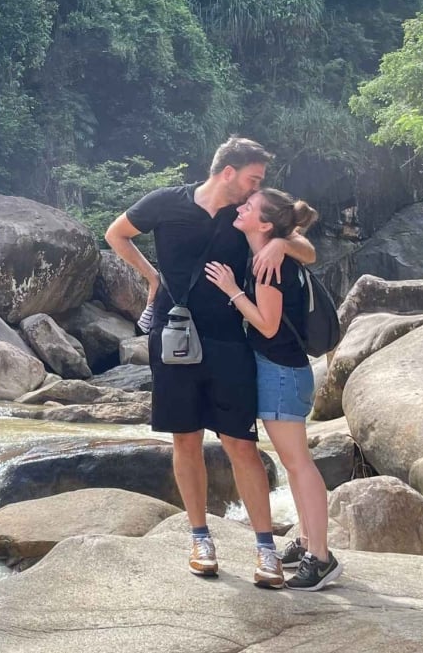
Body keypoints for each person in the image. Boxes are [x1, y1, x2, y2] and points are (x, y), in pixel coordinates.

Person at [104, 137, 314, 588]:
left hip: (228, 342)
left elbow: (308, 251)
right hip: (174, 337)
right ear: (228, 173)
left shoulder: (244, 216)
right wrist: (153, 276)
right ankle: (200, 537)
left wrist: (281, 246)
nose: (257, 187)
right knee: (185, 439)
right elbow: (115, 233)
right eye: (253, 178)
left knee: (240, 443)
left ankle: (265, 547)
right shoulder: (165, 202)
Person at [205, 188, 342, 591]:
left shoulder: (271, 265)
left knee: (298, 465)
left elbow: (266, 324)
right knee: (294, 463)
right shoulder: (270, 253)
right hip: (283, 369)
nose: (240, 207)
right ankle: (306, 543)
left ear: (265, 224)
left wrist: (232, 290)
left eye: (249, 207)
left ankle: (321, 557)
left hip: (281, 370)